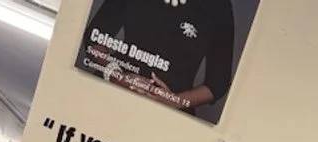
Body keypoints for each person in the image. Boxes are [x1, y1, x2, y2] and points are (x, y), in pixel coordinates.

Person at [77, 0, 236, 115]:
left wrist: (175, 101)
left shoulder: (218, 6)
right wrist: (117, 76)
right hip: (110, 95)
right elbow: (94, 37)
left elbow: (218, 84)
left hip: (170, 118)